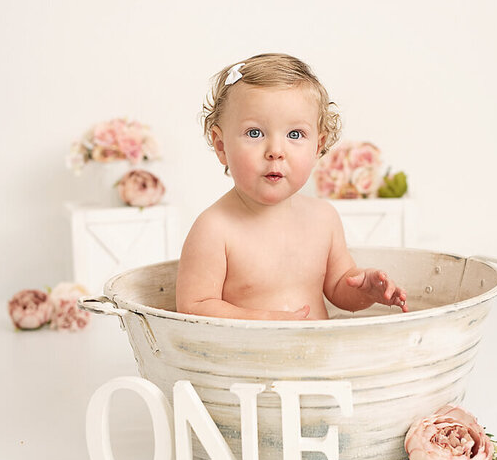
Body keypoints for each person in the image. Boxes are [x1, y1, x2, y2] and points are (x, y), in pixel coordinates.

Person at [175, 53, 408, 320]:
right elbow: (194, 307)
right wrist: (264, 320)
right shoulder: (214, 228)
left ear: (317, 147)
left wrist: (363, 289)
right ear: (221, 146)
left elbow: (338, 288)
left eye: (294, 134)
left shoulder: (324, 219)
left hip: (316, 357)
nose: (275, 151)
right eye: (255, 133)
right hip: (244, 359)